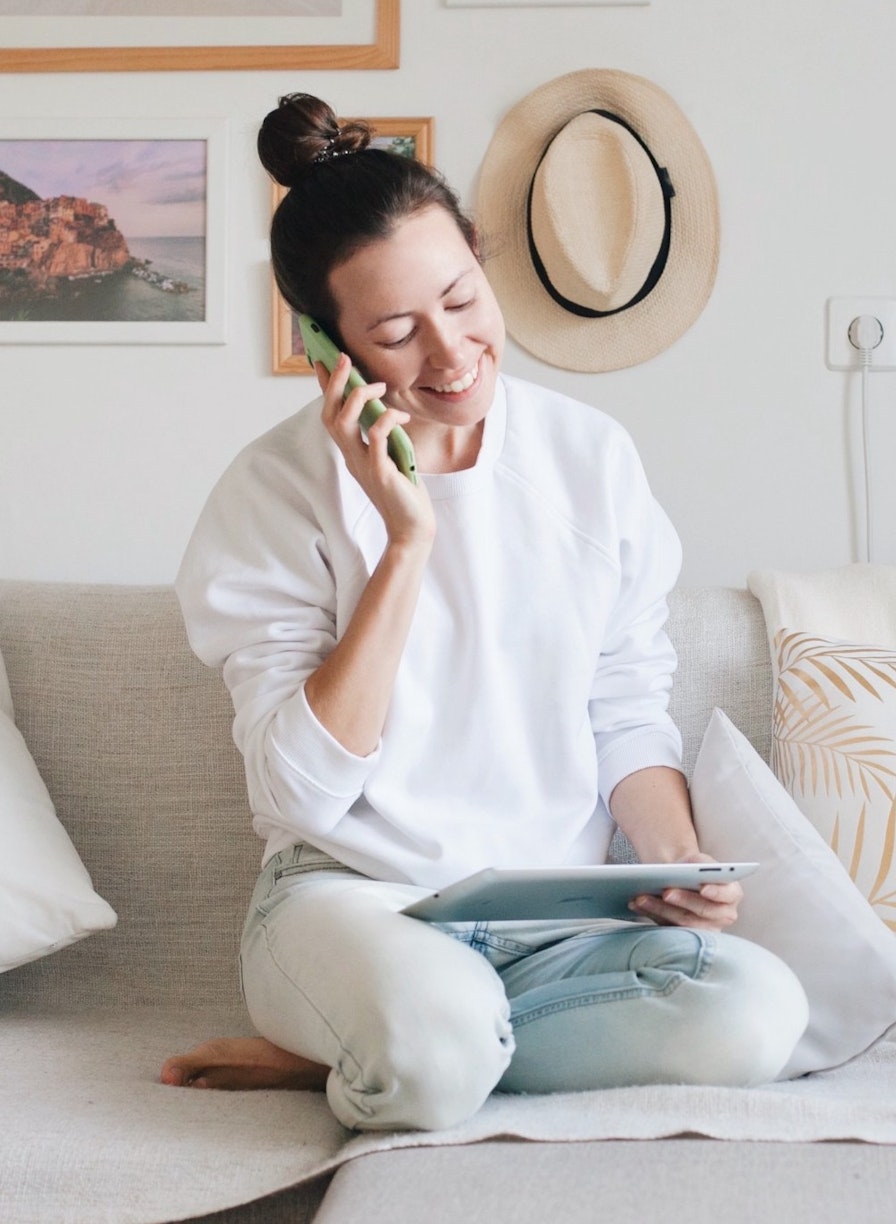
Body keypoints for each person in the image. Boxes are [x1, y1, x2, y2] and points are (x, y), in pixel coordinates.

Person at [160, 92, 808, 1132]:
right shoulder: (271, 494)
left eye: (463, 299)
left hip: (556, 919)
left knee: (758, 1015)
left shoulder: (591, 459)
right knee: (434, 1040)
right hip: (353, 904)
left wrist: (670, 863)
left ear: (479, 255)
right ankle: (410, 1035)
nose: (453, 357)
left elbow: (627, 707)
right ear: (331, 348)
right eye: (397, 333)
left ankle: (389, 1048)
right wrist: (407, 538)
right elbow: (303, 798)